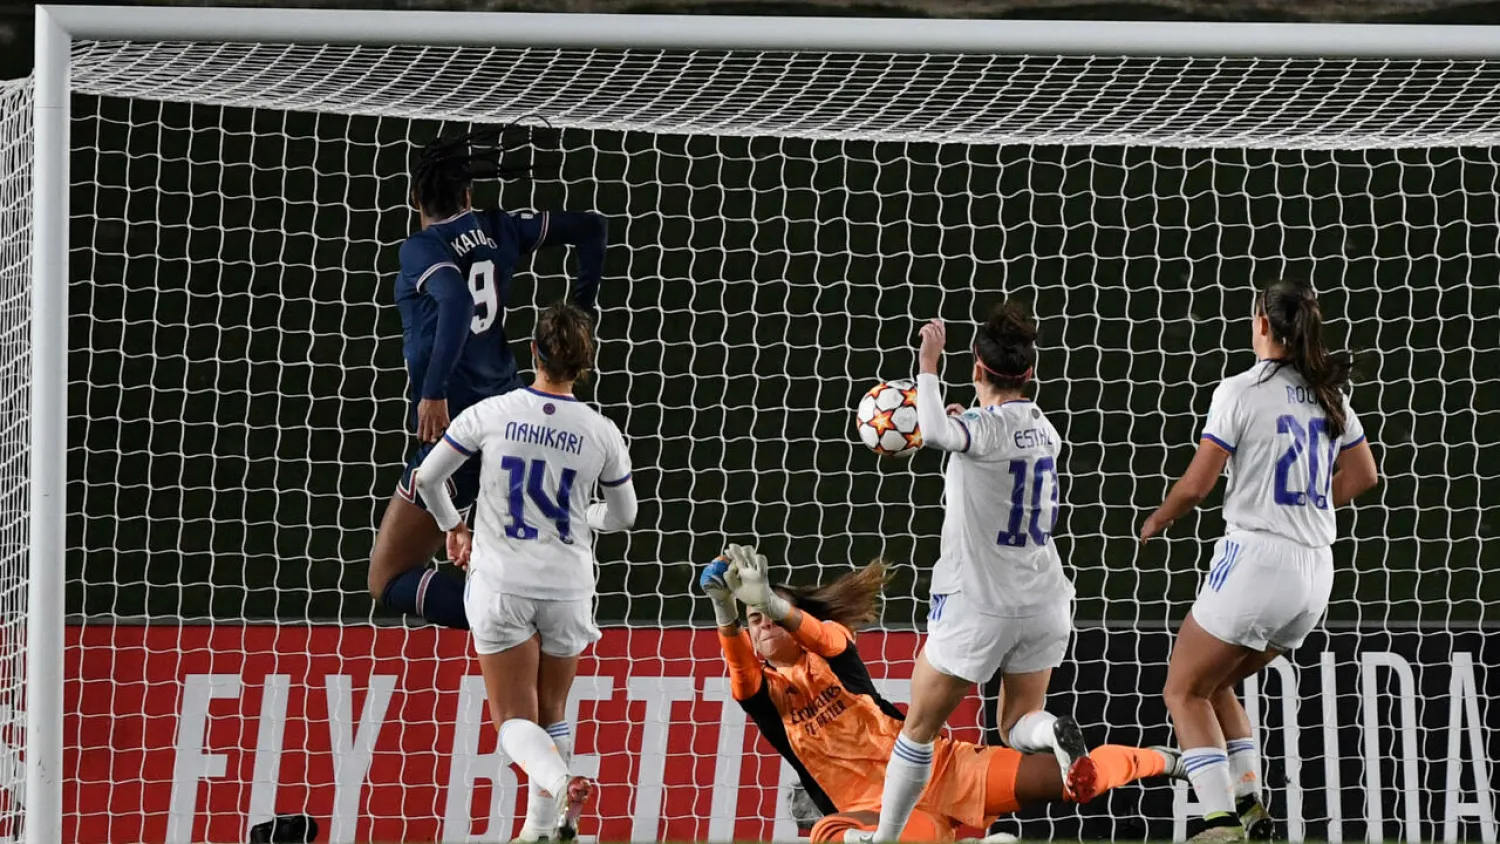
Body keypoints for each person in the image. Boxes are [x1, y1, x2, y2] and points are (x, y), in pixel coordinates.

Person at [700, 545, 1181, 844]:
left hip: (944, 769)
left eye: (764, 616)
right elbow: (742, 674)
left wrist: (774, 604)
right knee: (829, 834)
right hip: (875, 811)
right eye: (753, 620)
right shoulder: (766, 693)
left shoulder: (831, 649)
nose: (758, 624)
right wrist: (724, 608)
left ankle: (1169, 760)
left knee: (1083, 778)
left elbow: (822, 636)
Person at [1141, 278, 1379, 842]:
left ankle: (1219, 821)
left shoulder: (1240, 390)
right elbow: (1366, 475)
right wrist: (1314, 501)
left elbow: (1198, 485)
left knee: (1182, 689)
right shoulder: (1330, 393)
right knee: (1216, 684)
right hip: (1315, 572)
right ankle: (1250, 805)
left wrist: (1158, 517)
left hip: (1257, 559)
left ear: (1264, 326)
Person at [370, 125, 609, 631]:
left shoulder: (421, 248)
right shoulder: (500, 227)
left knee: (388, 577)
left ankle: (509, 619)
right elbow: (592, 228)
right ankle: (526, 610)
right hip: (509, 419)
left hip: (460, 435)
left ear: (414, 197)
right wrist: (579, 318)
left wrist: (432, 393)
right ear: (468, 194)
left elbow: (455, 300)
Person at [415, 302, 636, 842]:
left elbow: (427, 478)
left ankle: (560, 784)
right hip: (568, 589)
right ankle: (541, 830)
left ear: (532, 352)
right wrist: (588, 516)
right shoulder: (602, 432)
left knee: (514, 718)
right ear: (585, 365)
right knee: (553, 709)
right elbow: (626, 516)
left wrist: (455, 526)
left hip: (502, 585)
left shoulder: (493, 412)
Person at [869, 303, 1086, 842]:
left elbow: (943, 434)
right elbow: (974, 440)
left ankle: (885, 839)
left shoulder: (979, 431)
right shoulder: (1044, 429)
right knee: (1015, 727)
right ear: (1030, 374)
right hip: (1044, 602)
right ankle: (1055, 732)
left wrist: (927, 363)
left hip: (980, 605)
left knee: (917, 729)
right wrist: (960, 421)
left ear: (975, 366)